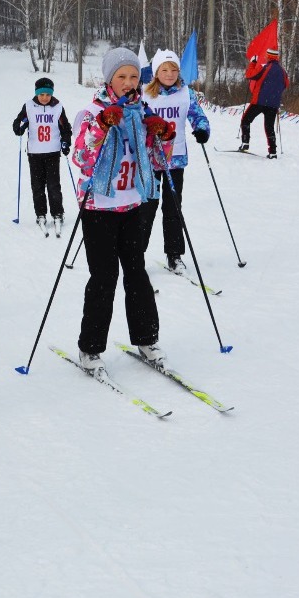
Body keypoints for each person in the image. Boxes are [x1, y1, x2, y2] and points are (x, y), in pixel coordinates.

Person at [70, 47, 176, 374]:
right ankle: (90, 348)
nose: (129, 82)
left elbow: (158, 160)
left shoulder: (141, 112)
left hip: (132, 204)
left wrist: (164, 135)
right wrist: (102, 125)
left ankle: (146, 339)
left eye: (133, 76)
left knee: (137, 273)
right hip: (99, 207)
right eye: (122, 76)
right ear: (109, 80)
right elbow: (81, 157)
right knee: (104, 277)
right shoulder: (92, 111)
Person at [141, 49, 210, 270]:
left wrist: (202, 129)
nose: (169, 74)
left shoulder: (186, 93)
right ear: (156, 72)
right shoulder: (144, 94)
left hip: (175, 159)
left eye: (173, 70)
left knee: (173, 208)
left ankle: (174, 254)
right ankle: (136, 253)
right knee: (147, 208)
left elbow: (198, 115)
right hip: (151, 160)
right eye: (165, 70)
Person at [11, 76, 72, 235]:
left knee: (53, 186)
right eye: (41, 94)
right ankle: (40, 214)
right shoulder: (28, 106)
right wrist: (20, 126)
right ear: (36, 93)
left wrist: (66, 142)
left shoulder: (58, 107)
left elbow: (66, 128)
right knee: (37, 186)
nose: (45, 98)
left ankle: (57, 213)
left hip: (52, 152)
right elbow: (17, 124)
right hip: (35, 154)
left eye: (48, 94)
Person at [239, 47, 290, 158]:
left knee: (246, 120)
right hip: (273, 104)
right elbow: (286, 84)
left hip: (259, 101)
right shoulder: (283, 71)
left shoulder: (264, 68)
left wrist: (253, 63)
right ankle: (273, 152)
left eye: (267, 55)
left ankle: (245, 143)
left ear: (269, 56)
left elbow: (250, 75)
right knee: (269, 127)